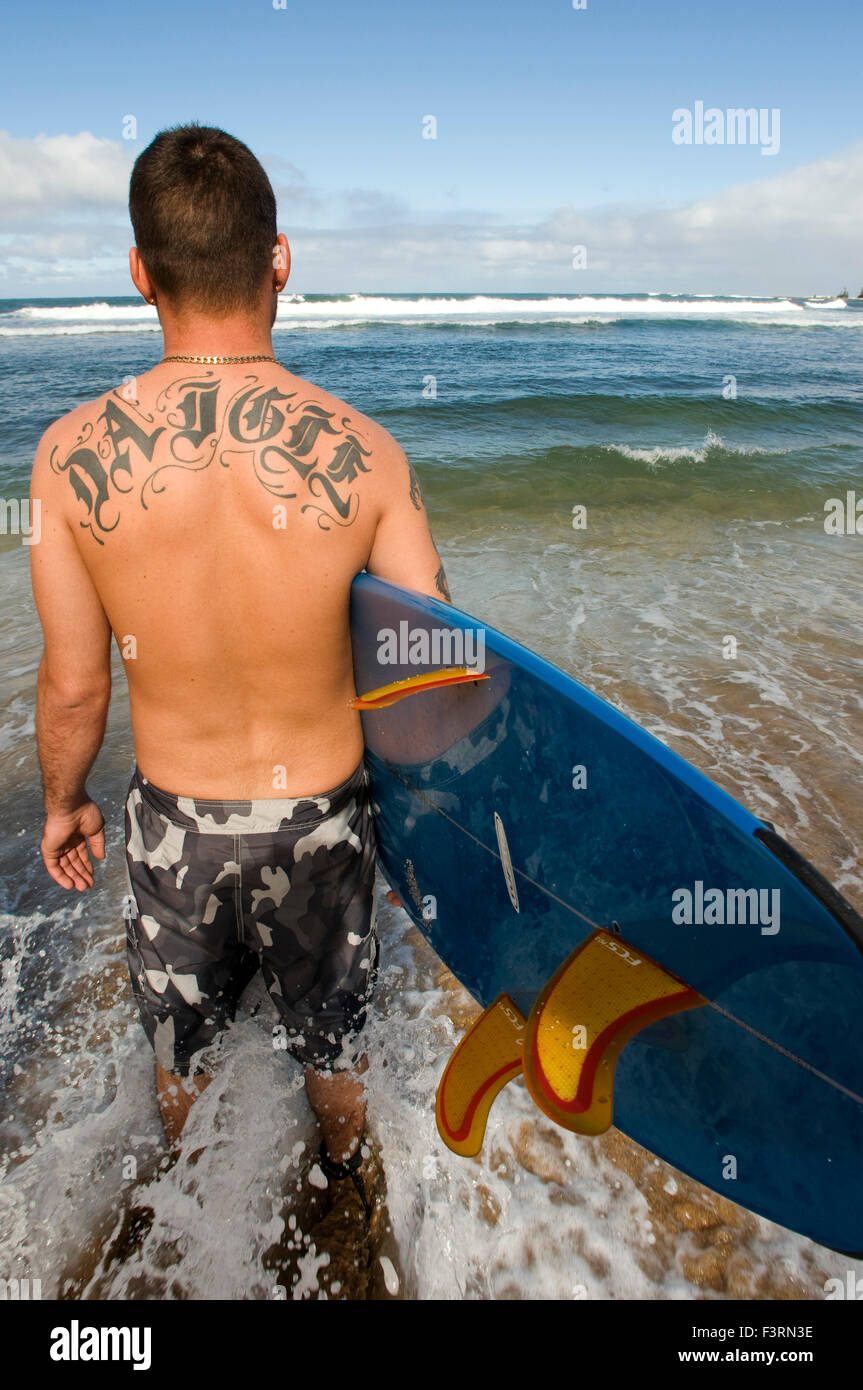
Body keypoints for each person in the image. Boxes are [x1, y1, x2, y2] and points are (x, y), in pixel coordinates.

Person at [29, 123, 450, 1213]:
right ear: (281, 258)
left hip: (173, 824)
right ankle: (349, 1193)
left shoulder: (68, 456)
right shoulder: (367, 450)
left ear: (137, 270)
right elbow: (429, 657)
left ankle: (189, 1215)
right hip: (322, 819)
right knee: (333, 1049)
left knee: (185, 1057)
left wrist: (66, 802)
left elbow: (76, 683)